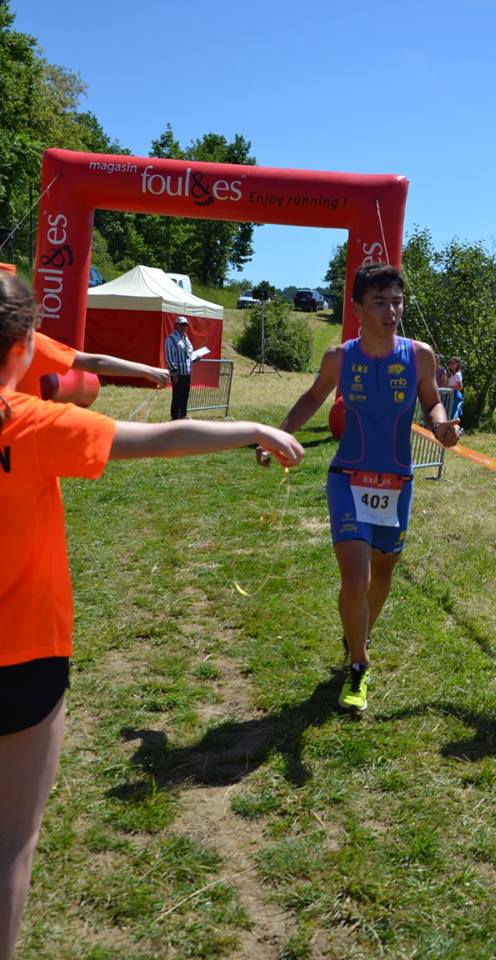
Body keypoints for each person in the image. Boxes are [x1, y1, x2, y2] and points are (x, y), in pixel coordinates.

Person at [0, 271, 304, 960]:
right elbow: (161, 441)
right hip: (24, 659)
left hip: (29, 658)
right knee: (10, 844)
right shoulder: (33, 424)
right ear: (23, 349)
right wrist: (255, 428)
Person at [257, 264, 460, 713]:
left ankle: (359, 635)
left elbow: (432, 402)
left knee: (383, 575)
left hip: (397, 481)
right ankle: (358, 665)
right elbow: (313, 397)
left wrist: (442, 427)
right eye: (379, 302)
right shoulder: (339, 357)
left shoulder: (420, 355)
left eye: (396, 302)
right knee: (356, 576)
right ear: (358, 309)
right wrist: (278, 435)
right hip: (348, 477)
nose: (391, 312)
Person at [17, 330, 170, 398]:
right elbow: (94, 363)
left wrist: (148, 371)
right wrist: (147, 371)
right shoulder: (31, 342)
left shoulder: (31, 342)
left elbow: (95, 363)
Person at [165, 316, 194, 420]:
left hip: (187, 372)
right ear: (176, 325)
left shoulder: (186, 339)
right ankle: (175, 417)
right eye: (182, 324)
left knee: (185, 395)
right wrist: (174, 371)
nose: (184, 327)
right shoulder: (171, 339)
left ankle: (183, 415)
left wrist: (195, 358)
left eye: (186, 325)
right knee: (177, 395)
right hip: (178, 373)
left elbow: (188, 354)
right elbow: (169, 356)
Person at [447, 356, 464, 422]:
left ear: (457, 364)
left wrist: (449, 387)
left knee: (452, 414)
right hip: (451, 395)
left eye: (453, 363)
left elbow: (460, 387)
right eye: (450, 362)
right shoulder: (452, 374)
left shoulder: (457, 375)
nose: (451, 364)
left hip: (455, 396)